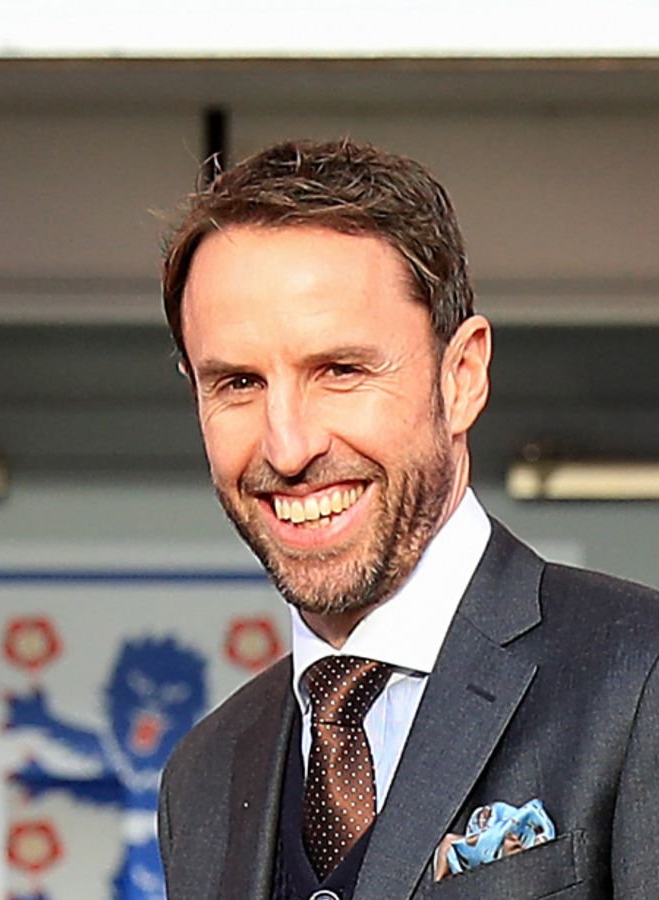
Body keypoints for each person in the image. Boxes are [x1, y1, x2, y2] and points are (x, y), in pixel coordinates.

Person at [155, 139, 659, 899]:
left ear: (463, 377)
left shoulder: (640, 679)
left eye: (341, 371)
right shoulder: (204, 775)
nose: (288, 446)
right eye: (238, 382)